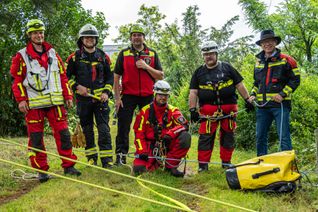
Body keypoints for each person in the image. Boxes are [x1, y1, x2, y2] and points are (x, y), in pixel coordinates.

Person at [10, 19, 81, 182]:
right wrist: (21, 100)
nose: (38, 35)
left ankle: (69, 166)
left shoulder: (53, 53)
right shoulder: (21, 56)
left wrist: (68, 95)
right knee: (36, 139)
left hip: (55, 103)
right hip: (34, 105)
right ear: (29, 35)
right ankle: (41, 170)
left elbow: (63, 76)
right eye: (35, 33)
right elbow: (17, 80)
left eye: (40, 32)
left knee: (63, 134)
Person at [189, 40, 253, 172]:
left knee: (228, 136)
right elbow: (193, 92)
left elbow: (239, 85)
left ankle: (226, 162)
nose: (209, 56)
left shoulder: (228, 68)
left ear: (216, 54)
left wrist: (247, 100)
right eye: (206, 54)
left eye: (211, 53)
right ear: (203, 56)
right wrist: (192, 109)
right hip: (208, 112)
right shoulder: (198, 73)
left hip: (228, 110)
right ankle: (203, 165)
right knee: (205, 137)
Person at [113, 24, 164, 165]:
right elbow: (116, 77)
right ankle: (120, 157)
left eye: (139, 35)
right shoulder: (124, 54)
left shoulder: (152, 54)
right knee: (123, 127)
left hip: (148, 96)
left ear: (144, 37)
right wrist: (117, 99)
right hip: (128, 95)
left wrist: (146, 66)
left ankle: (150, 154)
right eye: (134, 35)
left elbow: (160, 76)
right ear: (130, 38)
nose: (136, 37)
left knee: (150, 127)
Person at [66, 24, 114, 168]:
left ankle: (107, 160)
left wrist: (106, 92)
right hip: (83, 100)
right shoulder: (74, 58)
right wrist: (76, 87)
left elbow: (110, 78)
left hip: (101, 101)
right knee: (87, 131)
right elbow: (65, 77)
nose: (89, 39)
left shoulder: (104, 57)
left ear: (96, 39)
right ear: (81, 39)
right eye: (86, 37)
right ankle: (91, 158)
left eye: (92, 37)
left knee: (104, 130)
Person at [247, 30, 300, 156]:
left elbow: (295, 80)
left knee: (284, 137)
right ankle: (261, 164)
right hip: (262, 106)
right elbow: (257, 83)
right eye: (264, 42)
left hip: (280, 106)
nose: (267, 44)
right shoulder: (258, 61)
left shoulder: (287, 60)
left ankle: (287, 167)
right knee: (260, 136)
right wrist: (252, 94)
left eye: (270, 41)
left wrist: (282, 94)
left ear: (275, 42)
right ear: (261, 44)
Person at [132, 80, 191, 177]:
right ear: (155, 94)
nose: (163, 97)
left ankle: (171, 166)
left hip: (166, 143)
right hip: (149, 146)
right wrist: (142, 151)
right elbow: (138, 134)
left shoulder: (173, 111)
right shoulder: (144, 111)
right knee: (139, 170)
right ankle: (154, 162)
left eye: (166, 95)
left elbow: (184, 126)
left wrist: (171, 134)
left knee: (185, 137)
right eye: (160, 95)